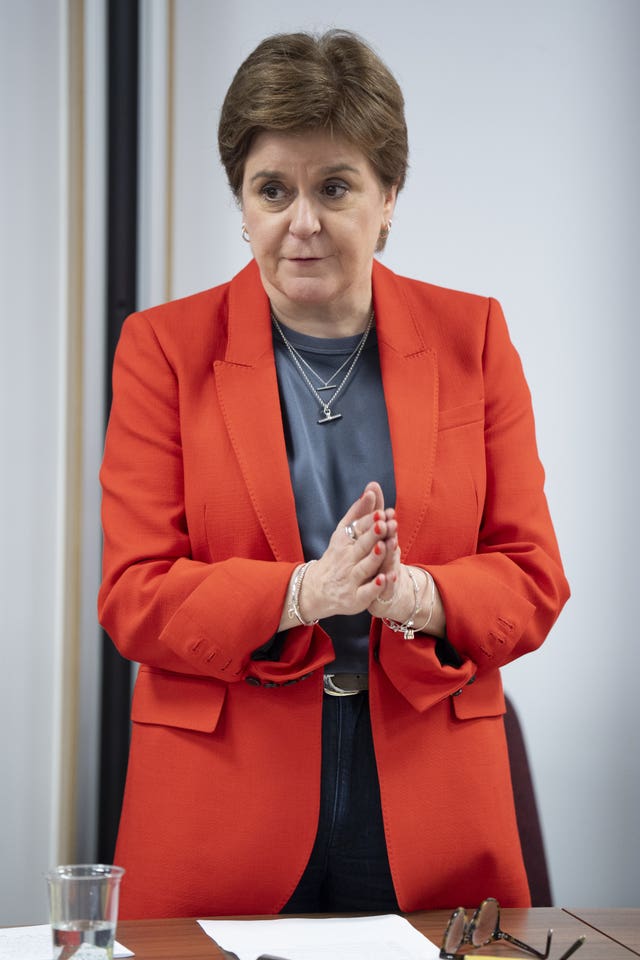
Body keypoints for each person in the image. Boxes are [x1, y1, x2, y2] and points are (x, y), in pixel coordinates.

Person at [98, 29, 569, 920]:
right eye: (272, 190)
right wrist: (303, 595)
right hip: (220, 794)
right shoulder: (162, 348)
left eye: (335, 188)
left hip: (429, 790)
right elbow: (133, 596)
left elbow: (533, 579)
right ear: (241, 203)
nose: (301, 222)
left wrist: (417, 595)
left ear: (390, 197)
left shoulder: (473, 337)